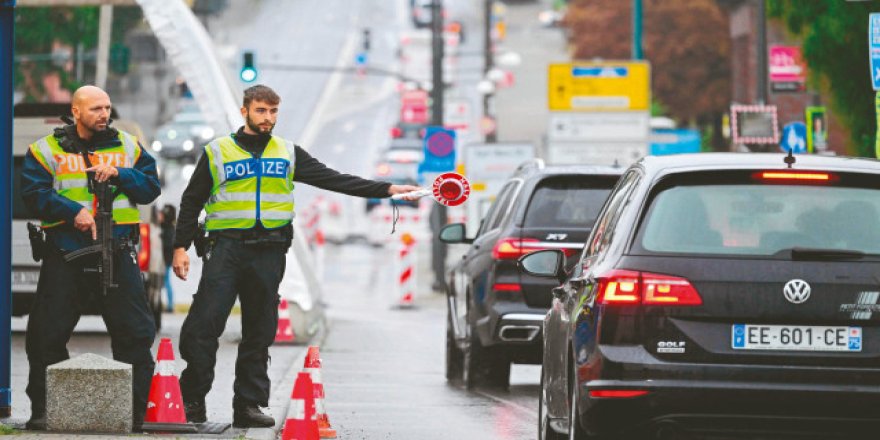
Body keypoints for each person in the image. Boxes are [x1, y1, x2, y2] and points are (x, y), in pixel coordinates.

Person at [171, 84, 420, 427]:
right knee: (202, 327)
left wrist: (387, 189)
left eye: (273, 112)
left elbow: (334, 179)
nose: (268, 118)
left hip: (269, 251)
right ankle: (193, 400)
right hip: (226, 249)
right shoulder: (218, 152)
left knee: (260, 331)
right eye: (261, 111)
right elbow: (191, 200)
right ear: (244, 111)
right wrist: (180, 246)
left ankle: (249, 405)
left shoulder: (287, 152)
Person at [21, 85, 161, 430]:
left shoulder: (127, 146)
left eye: (107, 107)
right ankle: (45, 411)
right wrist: (73, 212)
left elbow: (150, 189)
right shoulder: (45, 149)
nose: (104, 114)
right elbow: (33, 195)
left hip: (117, 251)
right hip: (65, 253)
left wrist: (120, 174)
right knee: (45, 335)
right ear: (77, 111)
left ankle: (134, 414)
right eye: (96, 108)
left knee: (136, 333)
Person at [159, 204, 177, 312]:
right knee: (165, 281)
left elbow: (167, 245)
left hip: (165, 260)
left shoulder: (168, 229)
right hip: (166, 259)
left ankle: (170, 306)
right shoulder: (167, 227)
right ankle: (168, 305)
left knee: (166, 281)